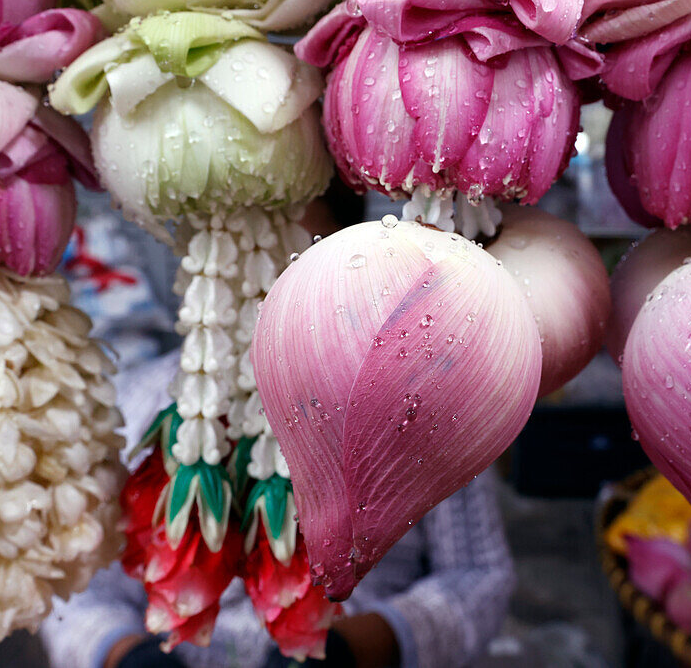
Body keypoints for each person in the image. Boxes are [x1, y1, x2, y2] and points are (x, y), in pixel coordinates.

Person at [41, 191, 518, 668]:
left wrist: (357, 647)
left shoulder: (420, 403)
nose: (266, 290)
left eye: (296, 258)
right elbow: (75, 593)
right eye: (244, 259)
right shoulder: (136, 405)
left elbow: (477, 577)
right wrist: (126, 655)